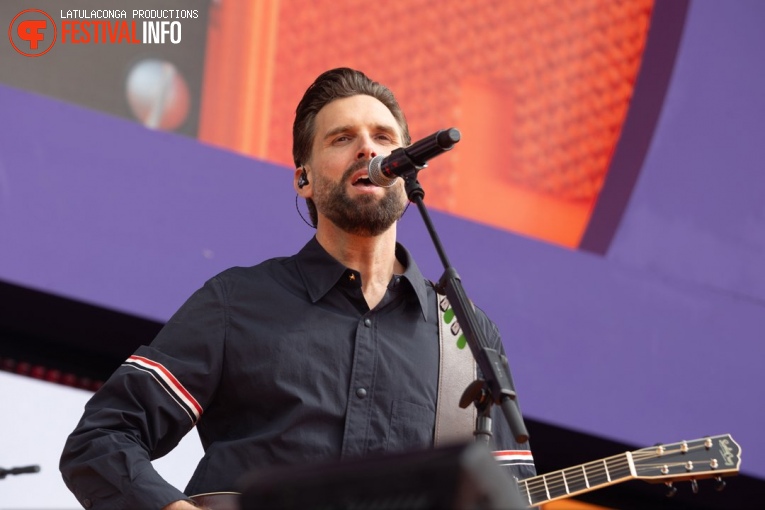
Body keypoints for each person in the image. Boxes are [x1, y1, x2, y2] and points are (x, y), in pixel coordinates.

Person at [60, 68, 535, 510]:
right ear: (303, 178)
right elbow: (100, 440)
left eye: (383, 138)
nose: (369, 150)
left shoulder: (463, 334)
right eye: (343, 138)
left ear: (407, 173)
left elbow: (507, 495)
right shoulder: (237, 301)